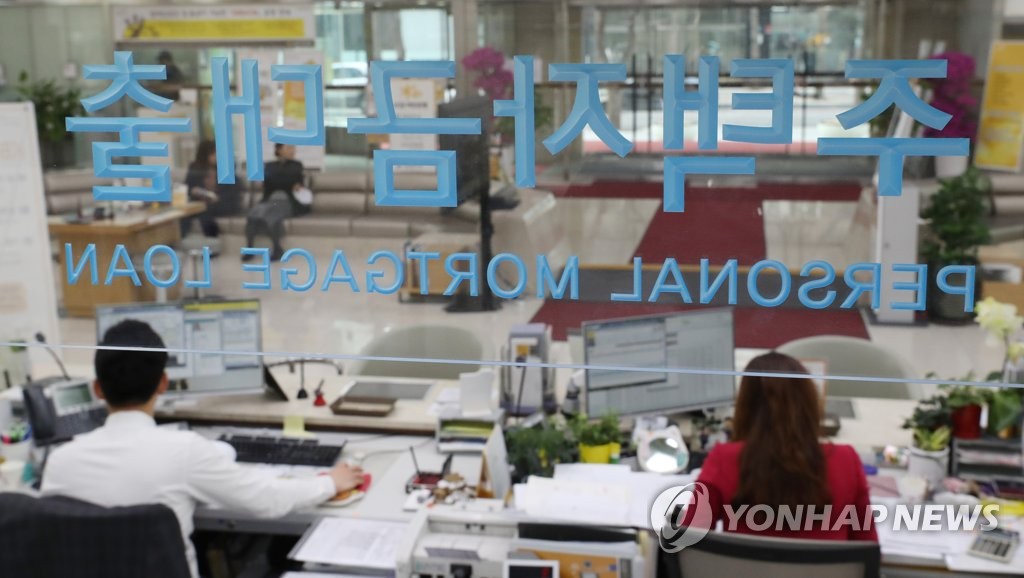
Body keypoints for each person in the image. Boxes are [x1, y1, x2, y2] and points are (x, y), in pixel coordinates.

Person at [41, 320, 364, 578]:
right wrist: (329, 482)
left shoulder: (59, 462)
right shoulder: (184, 452)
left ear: (98, 388)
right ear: (163, 382)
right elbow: (266, 500)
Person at [682, 352, 877, 542]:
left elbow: (689, 543)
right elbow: (868, 547)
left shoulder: (724, 459)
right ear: (809, 403)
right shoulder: (846, 460)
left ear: (745, 405)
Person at [243, 143, 311, 261]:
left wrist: (277, 179)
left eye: (293, 148)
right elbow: (268, 183)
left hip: (287, 200)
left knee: (272, 214)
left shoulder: (297, 165)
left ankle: (277, 249)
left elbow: (289, 180)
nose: (292, 150)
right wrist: (286, 181)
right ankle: (249, 249)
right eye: (288, 147)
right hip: (269, 200)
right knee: (252, 214)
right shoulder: (269, 165)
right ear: (279, 150)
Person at [182, 140, 237, 239]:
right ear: (205, 155)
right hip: (201, 202)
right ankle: (177, 241)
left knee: (204, 211)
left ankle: (213, 241)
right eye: (213, 153)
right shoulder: (195, 167)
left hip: (222, 203)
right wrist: (195, 191)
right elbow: (188, 188)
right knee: (184, 214)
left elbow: (230, 192)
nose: (216, 156)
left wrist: (217, 197)